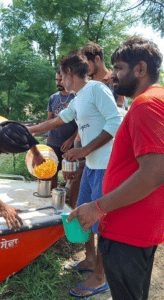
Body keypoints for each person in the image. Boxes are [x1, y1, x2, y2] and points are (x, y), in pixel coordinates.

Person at [67, 36, 164, 300]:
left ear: (141, 69)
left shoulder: (147, 104)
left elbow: (154, 172)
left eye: (119, 68)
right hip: (139, 225)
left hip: (127, 230)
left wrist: (98, 207)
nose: (113, 76)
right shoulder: (156, 100)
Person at [28, 50, 122, 297]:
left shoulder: (96, 90)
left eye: (61, 75)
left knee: (101, 222)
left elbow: (115, 122)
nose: (61, 80)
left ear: (69, 73)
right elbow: (58, 121)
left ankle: (101, 277)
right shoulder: (77, 99)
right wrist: (29, 131)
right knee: (83, 215)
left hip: (105, 165)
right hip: (91, 165)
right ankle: (90, 261)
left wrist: (84, 151)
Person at [46, 67, 77, 190]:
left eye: (61, 80)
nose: (58, 82)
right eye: (56, 80)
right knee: (51, 170)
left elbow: (81, 123)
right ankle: (52, 193)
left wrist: (71, 140)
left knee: (69, 173)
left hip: (70, 144)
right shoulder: (53, 98)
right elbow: (50, 120)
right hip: (53, 142)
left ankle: (68, 197)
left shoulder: (75, 97)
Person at [81, 42, 127, 110]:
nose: (84, 68)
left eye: (86, 64)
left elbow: (122, 112)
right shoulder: (86, 83)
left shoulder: (116, 82)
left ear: (97, 59)